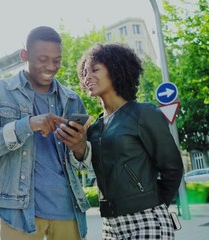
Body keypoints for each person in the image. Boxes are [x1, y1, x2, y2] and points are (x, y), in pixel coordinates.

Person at [0, 26, 91, 240]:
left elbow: (82, 162)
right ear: (24, 55)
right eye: (43, 59)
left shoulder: (71, 100)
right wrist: (27, 125)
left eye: (57, 60)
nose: (51, 67)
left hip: (68, 209)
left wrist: (80, 148)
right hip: (18, 212)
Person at [75, 43, 183, 239]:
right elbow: (85, 164)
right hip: (110, 224)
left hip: (147, 219)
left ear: (115, 70)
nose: (87, 77)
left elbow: (172, 168)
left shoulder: (144, 113)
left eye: (94, 70)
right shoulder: (94, 128)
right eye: (84, 72)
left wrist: (153, 204)